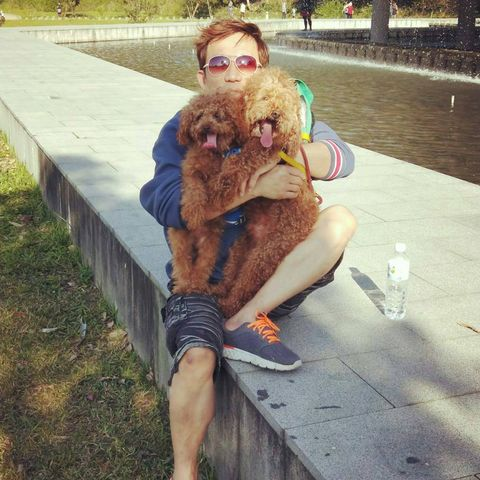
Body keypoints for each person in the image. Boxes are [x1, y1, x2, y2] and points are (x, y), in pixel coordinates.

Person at [140, 20, 356, 480]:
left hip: (270, 280)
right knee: (197, 357)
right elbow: (163, 200)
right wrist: (254, 185)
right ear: (202, 77)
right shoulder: (187, 126)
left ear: (263, 71)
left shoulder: (287, 111)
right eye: (220, 63)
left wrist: (286, 153)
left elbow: (342, 158)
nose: (234, 72)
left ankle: (244, 319)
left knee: (340, 220)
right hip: (204, 283)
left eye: (246, 61)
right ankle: (184, 472)